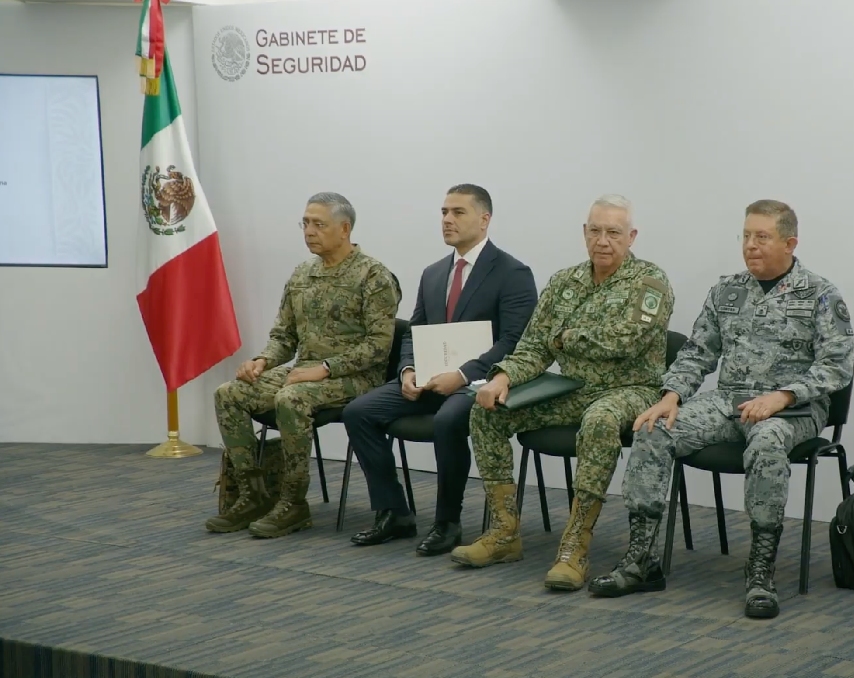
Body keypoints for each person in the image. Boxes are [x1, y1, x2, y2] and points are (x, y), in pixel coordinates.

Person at [588, 199, 854, 619]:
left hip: (792, 409)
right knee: (653, 430)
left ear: (790, 243)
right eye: (746, 236)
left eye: (762, 237)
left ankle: (760, 572)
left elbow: (837, 367)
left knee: (767, 442)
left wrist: (783, 396)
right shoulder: (726, 290)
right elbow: (697, 352)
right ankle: (641, 560)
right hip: (729, 400)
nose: (750, 245)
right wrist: (671, 396)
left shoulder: (821, 294)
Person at [451, 194, 674, 592]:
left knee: (600, 421)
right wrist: (502, 377)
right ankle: (504, 533)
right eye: (595, 231)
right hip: (571, 388)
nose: (603, 240)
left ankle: (575, 548)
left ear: (631, 236)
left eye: (613, 232)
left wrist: (564, 337)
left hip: (632, 390)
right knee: (487, 411)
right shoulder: (564, 281)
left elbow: (624, 341)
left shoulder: (650, 282)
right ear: (584, 233)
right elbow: (534, 346)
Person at [341, 184, 537, 554]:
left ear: (484, 219)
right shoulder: (434, 273)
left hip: (478, 384)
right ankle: (394, 512)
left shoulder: (512, 272)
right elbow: (415, 332)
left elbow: (515, 342)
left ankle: (448, 521)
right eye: (444, 212)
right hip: (430, 380)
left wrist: (462, 375)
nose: (447, 220)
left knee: (448, 421)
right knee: (359, 412)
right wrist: (408, 371)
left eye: (458, 212)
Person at [206, 192, 401, 538]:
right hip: (305, 370)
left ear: (344, 229)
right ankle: (254, 494)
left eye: (318, 224)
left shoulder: (373, 276)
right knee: (229, 393)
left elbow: (378, 347)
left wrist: (324, 368)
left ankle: (293, 503)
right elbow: (284, 335)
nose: (309, 231)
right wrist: (263, 360)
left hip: (356, 378)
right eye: (305, 223)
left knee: (291, 398)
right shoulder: (302, 274)